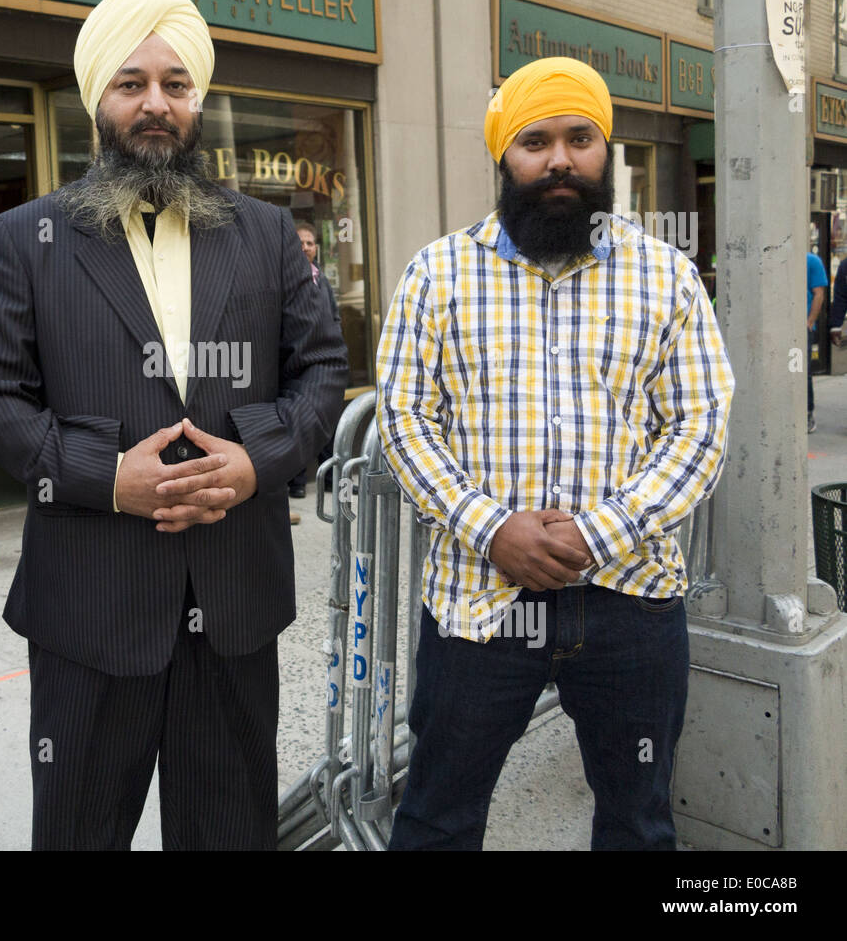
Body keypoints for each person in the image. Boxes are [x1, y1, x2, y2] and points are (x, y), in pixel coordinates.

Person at [0, 0, 347, 851]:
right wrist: (107, 477)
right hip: (90, 609)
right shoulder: (26, 239)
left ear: (197, 101)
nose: (155, 104)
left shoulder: (266, 233)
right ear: (97, 99)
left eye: (176, 84)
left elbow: (323, 371)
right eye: (131, 83)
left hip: (233, 602)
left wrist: (254, 460)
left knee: (229, 835)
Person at [377, 56, 734, 850]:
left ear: (607, 150)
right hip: (479, 602)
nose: (560, 160)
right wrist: (493, 528)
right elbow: (404, 420)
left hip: (630, 601)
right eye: (535, 142)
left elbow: (699, 428)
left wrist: (598, 534)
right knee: (436, 818)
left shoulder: (667, 276)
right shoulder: (437, 275)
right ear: (504, 156)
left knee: (638, 822)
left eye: (581, 138)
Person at [289, 220, 342, 501]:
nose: (306, 247)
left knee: (327, 420)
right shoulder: (285, 277)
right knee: (297, 420)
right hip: (297, 361)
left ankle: (332, 478)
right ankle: (297, 482)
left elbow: (334, 316)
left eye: (310, 243)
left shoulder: (321, 278)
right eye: (301, 242)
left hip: (324, 360)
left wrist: (336, 345)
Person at [808, 249, 828, 433]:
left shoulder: (812, 261)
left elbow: (819, 293)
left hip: (801, 331)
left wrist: (809, 322)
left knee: (799, 370)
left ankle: (807, 412)